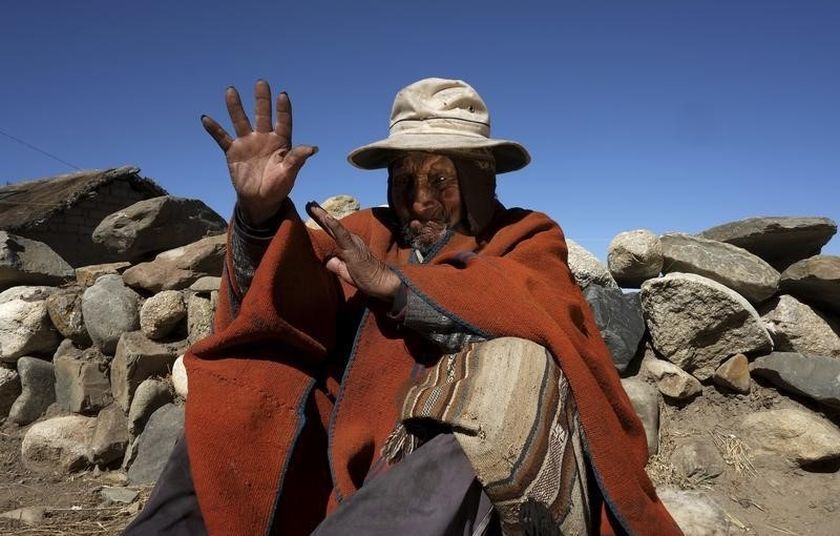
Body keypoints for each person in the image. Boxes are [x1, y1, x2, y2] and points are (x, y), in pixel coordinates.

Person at [125, 78, 681, 536]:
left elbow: (532, 305)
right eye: (404, 179)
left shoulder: (526, 234)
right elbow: (290, 302)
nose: (418, 199)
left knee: (512, 381)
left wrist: (396, 289)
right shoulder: (367, 231)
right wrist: (260, 217)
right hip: (338, 452)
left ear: (483, 176)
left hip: (445, 463)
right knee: (232, 395)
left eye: (440, 178)